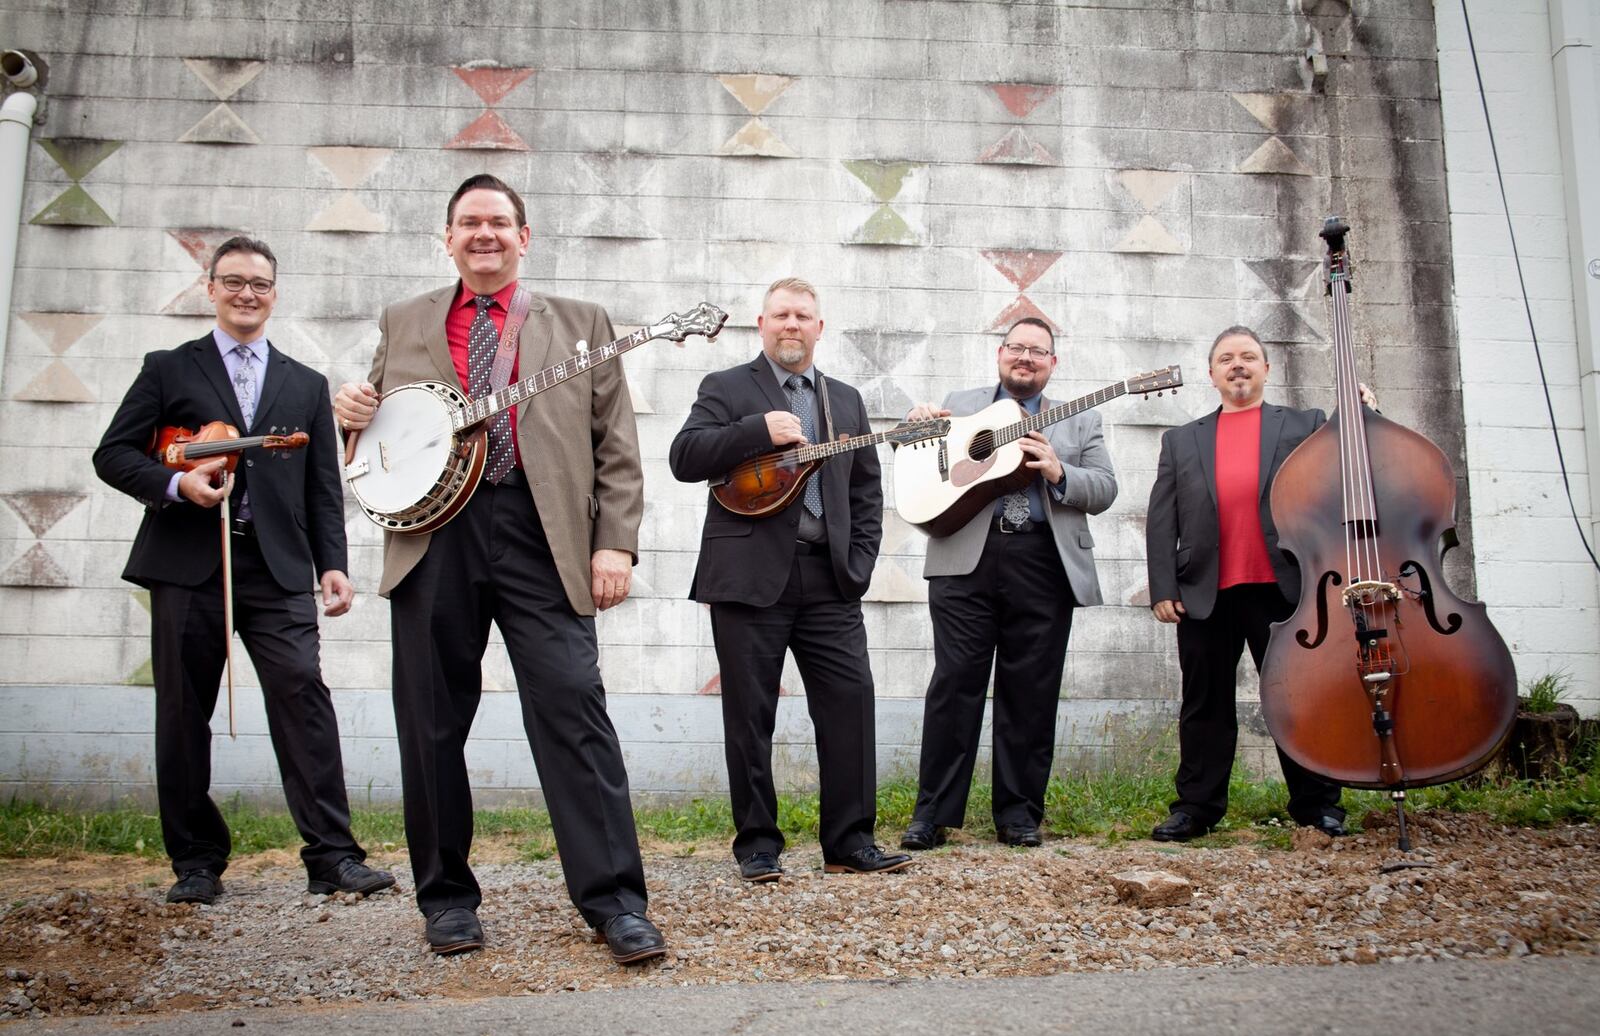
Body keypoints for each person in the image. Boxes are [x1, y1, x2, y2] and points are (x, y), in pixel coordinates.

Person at [333, 174, 663, 962]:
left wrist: (613, 542)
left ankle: (616, 903)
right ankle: (447, 901)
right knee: (431, 722)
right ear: (446, 238)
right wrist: (351, 415)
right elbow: (382, 439)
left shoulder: (582, 323)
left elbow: (617, 443)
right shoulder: (404, 318)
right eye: (469, 223)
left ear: (525, 237)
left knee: (575, 710)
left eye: (500, 223)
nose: (485, 234)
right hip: (433, 538)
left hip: (542, 533)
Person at [93, 235, 394, 906]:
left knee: (303, 702)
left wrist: (333, 566)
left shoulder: (302, 382)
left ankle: (333, 856)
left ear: (275, 293)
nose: (247, 293)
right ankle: (196, 861)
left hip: (279, 567)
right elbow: (113, 455)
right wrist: (178, 486)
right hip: (187, 564)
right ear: (212, 289)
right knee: (182, 713)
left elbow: (322, 486)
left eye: (259, 283)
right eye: (233, 282)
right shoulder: (169, 368)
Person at [669, 278, 911, 883]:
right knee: (749, 714)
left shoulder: (845, 400)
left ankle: (849, 842)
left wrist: (857, 562)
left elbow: (865, 488)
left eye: (804, 315)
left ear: (819, 328)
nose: (792, 325)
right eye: (781, 315)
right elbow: (685, 457)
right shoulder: (726, 388)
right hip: (748, 580)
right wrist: (757, 432)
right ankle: (757, 846)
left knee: (851, 704)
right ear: (762, 323)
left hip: (830, 580)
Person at [899, 318, 1118, 851]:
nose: (1025, 357)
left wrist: (1058, 471)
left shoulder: (1081, 420)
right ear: (1000, 353)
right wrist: (915, 425)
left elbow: (1106, 488)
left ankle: (1019, 814)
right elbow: (914, 458)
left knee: (1031, 692)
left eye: (1037, 352)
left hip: (1043, 563)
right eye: (1016, 348)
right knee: (954, 685)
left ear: (1052, 363)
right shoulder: (961, 402)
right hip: (964, 559)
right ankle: (932, 815)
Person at [1145, 325, 1349, 841]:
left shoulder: (1305, 425)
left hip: (1283, 588)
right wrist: (1162, 586)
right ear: (1210, 374)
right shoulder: (1182, 439)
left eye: (1249, 357)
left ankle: (1317, 806)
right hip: (1203, 591)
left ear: (1266, 368)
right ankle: (1196, 808)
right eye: (1227, 359)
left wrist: (1360, 414)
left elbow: (1344, 470)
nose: (1238, 365)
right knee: (1203, 705)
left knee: (1295, 699)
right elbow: (1161, 518)